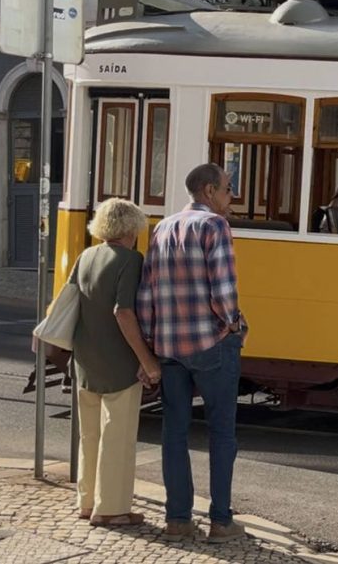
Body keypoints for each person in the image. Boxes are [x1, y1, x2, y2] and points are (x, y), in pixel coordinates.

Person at [137, 163, 247, 544]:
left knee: (174, 433)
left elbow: (147, 293)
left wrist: (152, 342)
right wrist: (231, 322)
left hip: (168, 349)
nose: (231, 197)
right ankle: (220, 521)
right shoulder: (215, 226)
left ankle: (178, 519)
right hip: (210, 345)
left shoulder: (162, 227)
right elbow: (224, 288)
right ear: (208, 190)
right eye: (228, 189)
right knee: (221, 433)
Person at [71, 198, 159, 527]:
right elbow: (124, 312)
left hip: (85, 360)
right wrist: (146, 360)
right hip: (119, 363)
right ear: (130, 229)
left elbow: (69, 302)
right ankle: (111, 509)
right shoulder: (130, 260)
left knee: (89, 435)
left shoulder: (86, 256)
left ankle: (86, 501)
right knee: (117, 437)